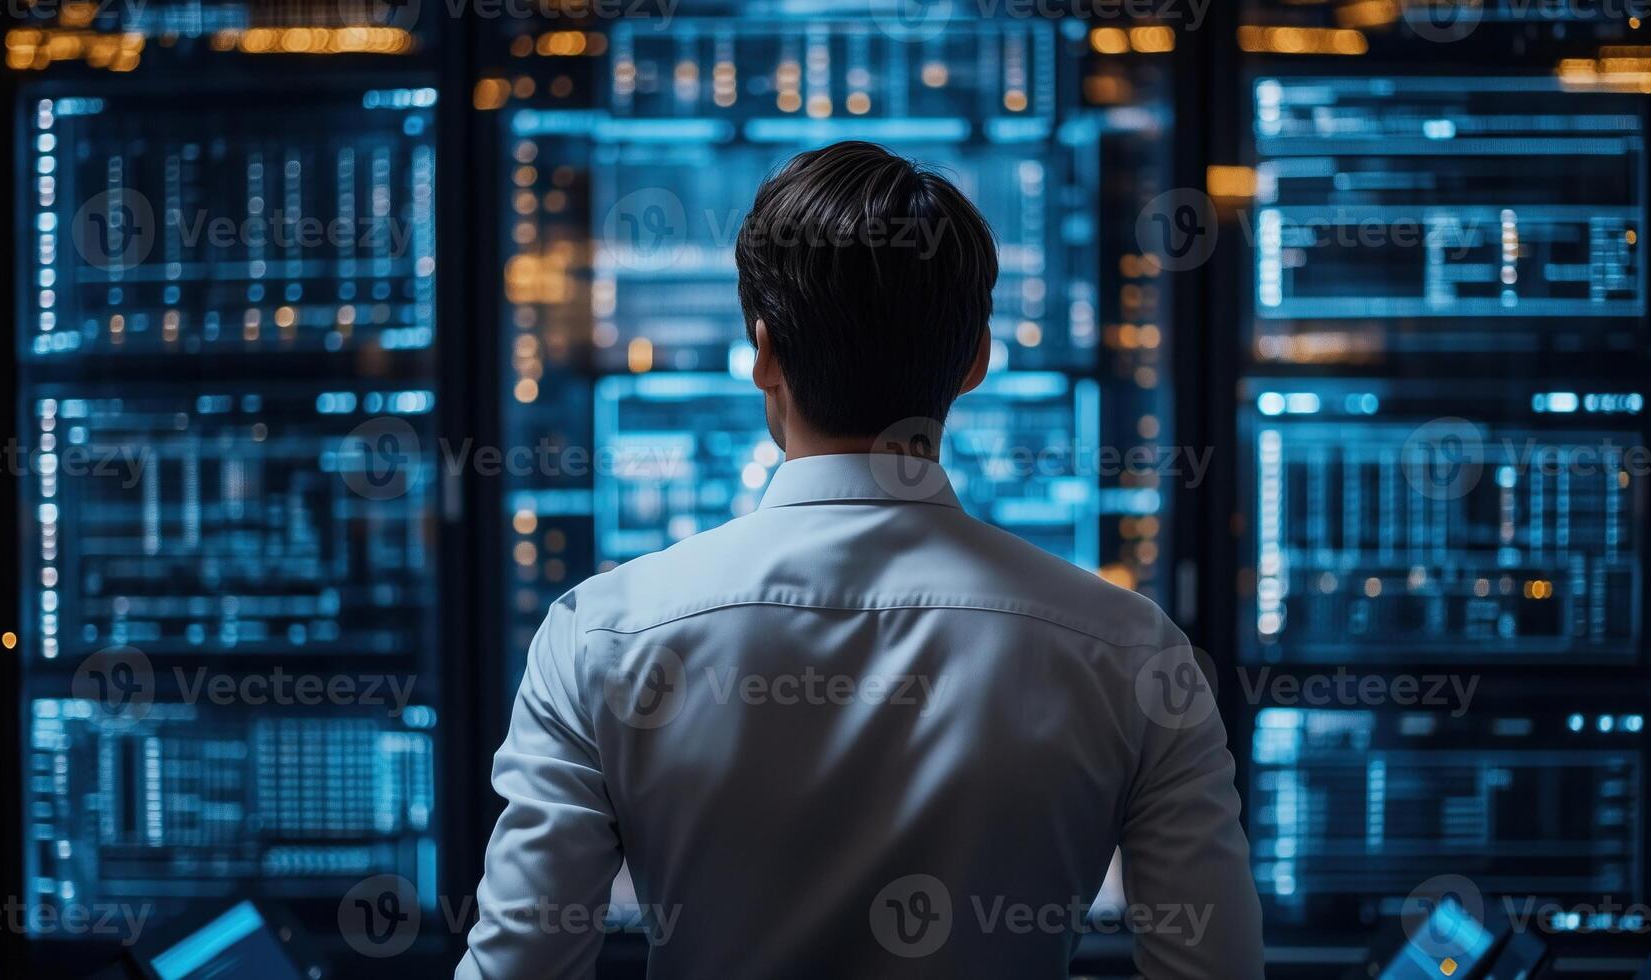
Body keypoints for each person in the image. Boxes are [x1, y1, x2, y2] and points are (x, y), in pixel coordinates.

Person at [458, 140, 1262, 979]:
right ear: (977, 360)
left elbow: (521, 967)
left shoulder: (598, 637)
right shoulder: (1135, 652)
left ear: (762, 352)